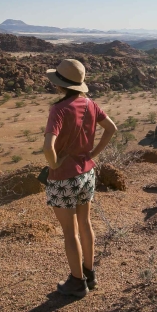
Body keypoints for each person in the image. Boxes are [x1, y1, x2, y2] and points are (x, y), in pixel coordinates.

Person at [43, 59, 117, 297]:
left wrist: (54, 164)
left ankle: (77, 283)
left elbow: (48, 145)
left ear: (60, 84)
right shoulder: (90, 103)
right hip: (87, 173)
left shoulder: (59, 109)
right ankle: (89, 274)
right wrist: (93, 153)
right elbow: (112, 128)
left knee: (69, 231)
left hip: (64, 178)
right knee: (85, 224)